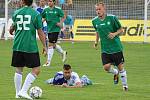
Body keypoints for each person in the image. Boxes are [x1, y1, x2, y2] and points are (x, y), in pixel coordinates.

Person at [9, 0, 47, 99]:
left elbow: (12, 28)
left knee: (18, 69)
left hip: (17, 45)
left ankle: (18, 93)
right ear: (32, 3)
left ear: (22, 1)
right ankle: (24, 91)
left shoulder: (16, 13)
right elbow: (40, 32)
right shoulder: (35, 14)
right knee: (36, 69)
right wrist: (44, 46)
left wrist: (11, 30)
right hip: (30, 46)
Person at [92, 2, 128, 91]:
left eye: (99, 9)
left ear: (104, 9)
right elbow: (97, 31)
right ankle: (115, 73)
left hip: (116, 48)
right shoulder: (94, 21)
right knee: (106, 67)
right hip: (105, 49)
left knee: (120, 67)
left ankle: (125, 86)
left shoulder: (112, 18)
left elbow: (121, 30)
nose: (98, 11)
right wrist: (96, 41)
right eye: (96, 9)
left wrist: (114, 34)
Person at [41, 0, 67, 67]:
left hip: (55, 29)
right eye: (49, 1)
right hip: (49, 29)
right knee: (54, 45)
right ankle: (63, 52)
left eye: (51, 1)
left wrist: (60, 23)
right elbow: (43, 17)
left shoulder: (58, 10)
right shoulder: (45, 10)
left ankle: (48, 62)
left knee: (50, 45)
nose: (49, 2)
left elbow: (64, 16)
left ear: (54, 2)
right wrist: (41, 22)